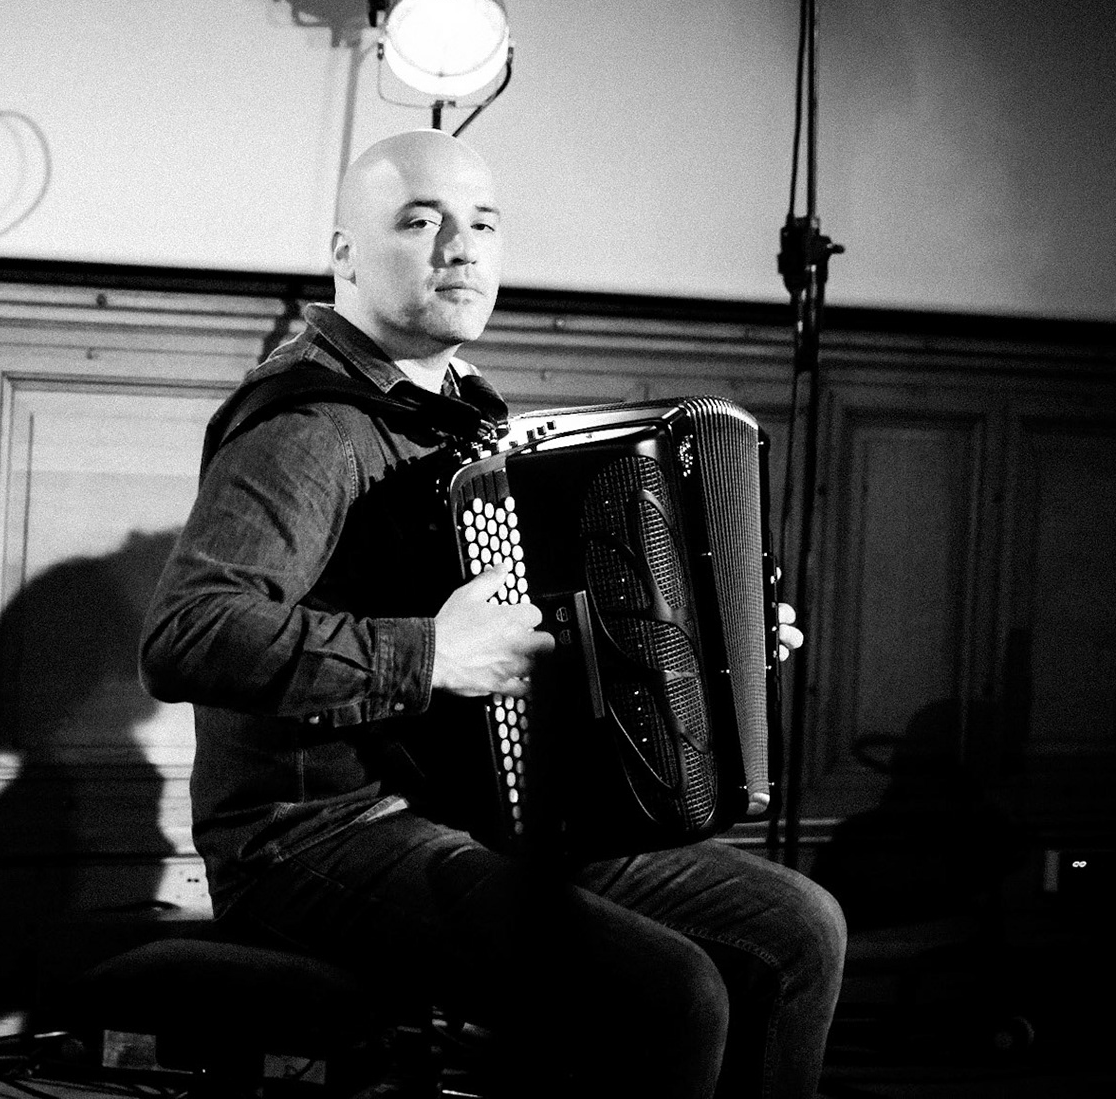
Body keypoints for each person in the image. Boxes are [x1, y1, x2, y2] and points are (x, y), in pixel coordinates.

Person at [139, 129, 845, 1097]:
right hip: (314, 834)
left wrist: (717, 641)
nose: (459, 248)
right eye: (418, 222)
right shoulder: (308, 429)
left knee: (799, 928)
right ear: (345, 253)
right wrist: (431, 654)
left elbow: (534, 628)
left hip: (470, 810)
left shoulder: (464, 414)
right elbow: (188, 634)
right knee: (671, 991)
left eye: (482, 224)